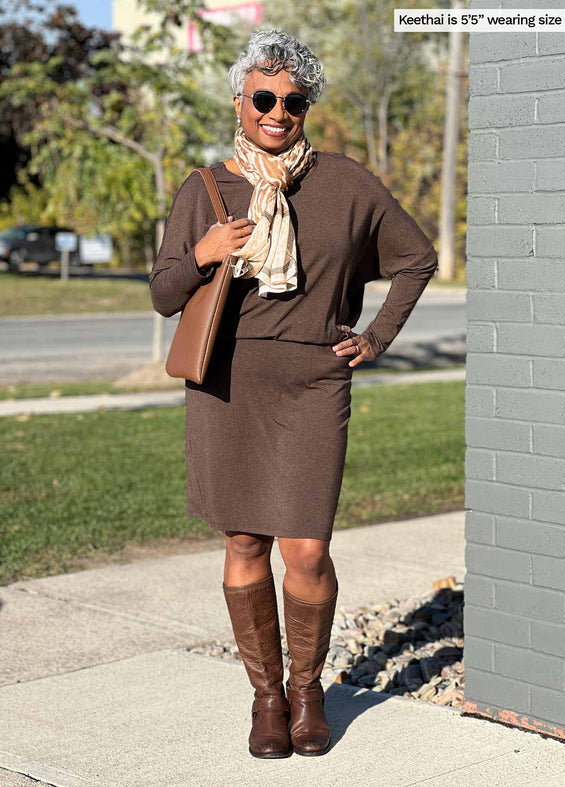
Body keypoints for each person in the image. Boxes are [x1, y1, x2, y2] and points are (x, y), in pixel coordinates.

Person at [149, 29, 438, 759]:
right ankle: (267, 697)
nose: (278, 112)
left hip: (314, 380)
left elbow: (416, 258)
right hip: (228, 381)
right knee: (244, 537)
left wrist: (375, 338)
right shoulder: (204, 187)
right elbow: (161, 294)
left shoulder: (346, 183)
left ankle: (309, 691)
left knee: (307, 547)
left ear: (307, 105)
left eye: (294, 100)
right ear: (240, 102)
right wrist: (205, 253)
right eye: (264, 98)